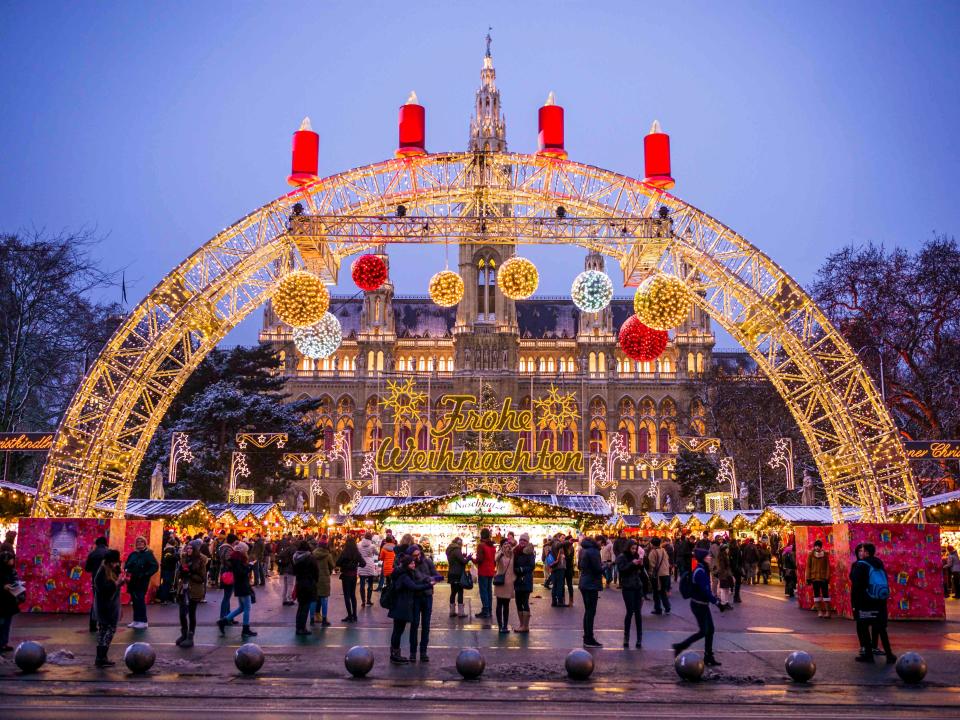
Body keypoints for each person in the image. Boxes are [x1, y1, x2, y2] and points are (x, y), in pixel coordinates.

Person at [672, 547, 730, 666]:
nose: (709, 557)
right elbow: (705, 591)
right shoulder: (700, 571)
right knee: (704, 631)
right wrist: (717, 602)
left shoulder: (702, 569)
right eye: (707, 556)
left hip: (701, 604)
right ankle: (681, 646)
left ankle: (708, 656)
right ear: (703, 558)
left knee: (710, 630)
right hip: (698, 604)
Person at [850, 542, 895, 664]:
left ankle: (868, 654)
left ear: (867, 552)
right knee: (881, 628)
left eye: (862, 550)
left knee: (864, 627)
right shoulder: (879, 563)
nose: (861, 552)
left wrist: (855, 603)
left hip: (865, 601)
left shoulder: (860, 565)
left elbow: (856, 584)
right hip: (879, 600)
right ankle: (889, 654)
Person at [387, 552, 435, 663]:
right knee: (398, 631)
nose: (414, 565)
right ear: (407, 564)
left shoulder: (406, 573)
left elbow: (415, 582)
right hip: (401, 606)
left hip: (400, 605)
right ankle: (395, 655)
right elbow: (413, 586)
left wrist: (425, 580)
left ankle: (395, 654)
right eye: (412, 563)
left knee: (398, 630)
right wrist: (429, 585)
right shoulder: (404, 575)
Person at [93, 549, 125, 667]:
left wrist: (121, 580)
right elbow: (104, 589)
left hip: (111, 606)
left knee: (104, 631)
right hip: (105, 606)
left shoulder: (113, 570)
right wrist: (117, 583)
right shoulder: (102, 572)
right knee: (107, 631)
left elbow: (115, 586)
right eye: (116, 562)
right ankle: (101, 657)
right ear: (110, 562)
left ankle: (101, 657)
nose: (117, 564)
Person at [218, 541, 257, 638]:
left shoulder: (235, 558)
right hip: (243, 586)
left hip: (239, 585)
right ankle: (245, 628)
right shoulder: (237, 560)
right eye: (246, 551)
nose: (246, 553)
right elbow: (241, 573)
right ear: (242, 550)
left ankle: (224, 621)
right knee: (247, 608)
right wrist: (250, 566)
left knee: (241, 608)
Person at [173, 541, 208, 648]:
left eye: (191, 548)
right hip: (183, 588)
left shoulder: (200, 561)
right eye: (187, 548)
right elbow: (178, 574)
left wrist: (191, 574)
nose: (188, 550)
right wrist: (179, 576)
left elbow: (202, 578)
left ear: (195, 550)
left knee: (191, 614)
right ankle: (184, 633)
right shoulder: (183, 559)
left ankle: (190, 636)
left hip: (194, 590)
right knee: (182, 613)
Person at [409, 544, 439, 662]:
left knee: (426, 624)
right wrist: (427, 579)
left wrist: (434, 579)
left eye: (418, 554)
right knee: (414, 624)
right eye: (414, 555)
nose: (417, 557)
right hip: (416, 596)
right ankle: (412, 652)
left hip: (427, 596)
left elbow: (435, 574)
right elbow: (413, 578)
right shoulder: (411, 564)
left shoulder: (427, 562)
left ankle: (423, 651)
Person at [123, 536, 159, 629]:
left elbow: (155, 567)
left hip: (142, 580)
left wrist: (145, 574)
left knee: (140, 599)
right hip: (132, 580)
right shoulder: (133, 554)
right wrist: (127, 569)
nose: (139, 543)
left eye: (141, 541)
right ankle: (136, 620)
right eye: (137, 541)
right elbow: (127, 564)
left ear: (145, 543)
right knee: (134, 600)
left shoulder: (148, 554)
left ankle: (143, 621)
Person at [616, 539, 645, 648]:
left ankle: (639, 638)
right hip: (627, 587)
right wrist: (632, 564)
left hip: (637, 586)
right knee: (629, 612)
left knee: (638, 612)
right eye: (632, 548)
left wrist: (641, 564)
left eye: (635, 548)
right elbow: (622, 570)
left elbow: (641, 571)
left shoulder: (636, 555)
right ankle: (626, 636)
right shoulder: (621, 557)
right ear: (628, 547)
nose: (634, 550)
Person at [578, 534, 604, 648]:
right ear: (597, 542)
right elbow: (598, 569)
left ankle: (587, 637)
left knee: (588, 611)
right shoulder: (593, 551)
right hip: (591, 584)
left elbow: (580, 566)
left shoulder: (583, 550)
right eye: (602, 543)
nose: (602, 545)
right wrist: (606, 566)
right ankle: (589, 638)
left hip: (584, 582)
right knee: (591, 612)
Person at [292, 541, 319, 635]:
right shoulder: (310, 557)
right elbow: (316, 571)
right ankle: (302, 628)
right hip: (308, 583)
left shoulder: (295, 557)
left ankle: (298, 627)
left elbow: (294, 570)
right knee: (305, 607)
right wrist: (315, 580)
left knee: (300, 606)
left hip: (299, 583)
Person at [84, 536, 110, 632]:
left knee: (96, 602)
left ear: (97, 544)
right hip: (108, 580)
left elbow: (87, 569)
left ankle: (93, 625)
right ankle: (104, 624)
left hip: (96, 581)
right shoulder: (109, 553)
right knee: (107, 602)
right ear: (105, 543)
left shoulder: (92, 554)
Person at [336, 536, 365, 622]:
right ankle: (355, 615)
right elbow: (363, 563)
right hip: (353, 576)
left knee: (346, 596)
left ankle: (349, 615)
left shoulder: (344, 552)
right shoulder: (357, 552)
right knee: (353, 595)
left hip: (346, 576)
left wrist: (345, 565)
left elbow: (338, 563)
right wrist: (356, 566)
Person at [513, 533, 536, 633]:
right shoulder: (516, 551)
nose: (522, 542)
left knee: (524, 601)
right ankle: (521, 624)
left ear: (527, 542)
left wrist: (521, 569)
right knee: (518, 602)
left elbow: (531, 566)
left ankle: (525, 626)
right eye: (521, 540)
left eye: (524, 540)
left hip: (525, 580)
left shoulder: (529, 552)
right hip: (518, 580)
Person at [0, 549, 21, 652]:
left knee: (7, 623)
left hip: (9, 602)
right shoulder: (1, 571)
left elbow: (14, 580)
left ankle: (4, 643)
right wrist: (3, 587)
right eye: (11, 559)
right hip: (2, 602)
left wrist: (17, 585)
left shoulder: (11, 570)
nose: (13, 561)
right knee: (2, 623)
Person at [445, 536, 471, 618]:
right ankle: (461, 613)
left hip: (452, 573)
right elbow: (463, 561)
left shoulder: (450, 549)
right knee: (460, 591)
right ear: (459, 543)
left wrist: (462, 556)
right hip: (458, 574)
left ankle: (452, 612)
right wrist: (468, 557)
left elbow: (456, 559)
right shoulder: (457, 550)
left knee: (453, 592)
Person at [312, 538, 336, 626]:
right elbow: (333, 565)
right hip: (324, 579)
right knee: (324, 599)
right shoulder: (328, 555)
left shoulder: (313, 554)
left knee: (314, 599)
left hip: (315, 579)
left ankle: (312, 618)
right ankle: (324, 619)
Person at [493, 539, 515, 634]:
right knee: (499, 604)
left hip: (509, 583)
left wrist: (512, 547)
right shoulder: (499, 555)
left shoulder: (512, 555)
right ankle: (500, 625)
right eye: (505, 545)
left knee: (506, 605)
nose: (507, 546)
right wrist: (501, 551)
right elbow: (496, 559)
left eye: (508, 545)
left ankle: (505, 625)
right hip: (500, 582)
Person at [806, 539, 831, 617]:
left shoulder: (825, 555)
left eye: (818, 546)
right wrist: (808, 577)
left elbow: (828, 567)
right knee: (816, 595)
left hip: (823, 579)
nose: (817, 547)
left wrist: (827, 577)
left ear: (821, 547)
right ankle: (819, 612)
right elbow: (808, 567)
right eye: (816, 546)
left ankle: (828, 612)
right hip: (814, 578)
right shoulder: (811, 555)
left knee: (825, 595)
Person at [475, 528, 496, 618]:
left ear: (481, 535)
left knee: (483, 591)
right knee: (489, 591)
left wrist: (472, 559)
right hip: (491, 571)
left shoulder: (481, 545)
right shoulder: (492, 546)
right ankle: (489, 610)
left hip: (483, 571)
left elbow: (479, 559)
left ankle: (485, 610)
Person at [647, 537, 672, 615]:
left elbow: (651, 565)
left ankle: (658, 609)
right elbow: (667, 560)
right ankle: (667, 607)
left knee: (656, 592)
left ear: (652, 544)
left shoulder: (653, 552)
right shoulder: (663, 550)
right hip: (666, 574)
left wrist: (649, 574)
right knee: (663, 592)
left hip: (658, 575)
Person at [217, 533, 238, 621]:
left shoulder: (223, 547)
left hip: (225, 572)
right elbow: (228, 560)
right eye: (235, 541)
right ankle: (223, 617)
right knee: (227, 596)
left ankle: (228, 616)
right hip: (229, 573)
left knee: (227, 596)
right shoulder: (228, 549)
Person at [358, 532, 380, 608]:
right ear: (371, 538)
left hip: (361, 564)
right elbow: (377, 553)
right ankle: (368, 600)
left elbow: (358, 553)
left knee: (362, 584)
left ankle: (363, 601)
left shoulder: (359, 544)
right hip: (370, 565)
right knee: (370, 584)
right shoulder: (372, 546)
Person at [157, 541, 179, 605]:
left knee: (166, 584)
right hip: (168, 569)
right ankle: (163, 599)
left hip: (166, 569)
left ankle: (164, 598)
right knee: (166, 584)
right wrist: (176, 556)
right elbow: (169, 558)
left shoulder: (167, 549)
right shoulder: (169, 550)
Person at [547, 539, 566, 607]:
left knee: (555, 585)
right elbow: (560, 544)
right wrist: (567, 541)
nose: (562, 539)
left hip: (554, 568)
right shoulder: (556, 543)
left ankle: (554, 601)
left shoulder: (551, 546)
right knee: (559, 585)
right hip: (559, 568)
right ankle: (560, 602)